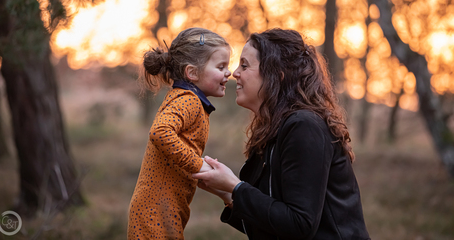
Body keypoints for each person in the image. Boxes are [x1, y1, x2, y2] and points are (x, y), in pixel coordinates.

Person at [192, 28, 370, 240]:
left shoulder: (304, 127)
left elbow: (299, 224)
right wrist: (226, 192)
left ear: (277, 75)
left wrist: (235, 187)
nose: (234, 73)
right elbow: (273, 223)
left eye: (245, 65)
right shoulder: (273, 130)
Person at [127, 27, 232, 240]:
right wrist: (198, 164)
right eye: (221, 67)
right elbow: (160, 132)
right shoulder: (188, 100)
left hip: (163, 209)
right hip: (154, 211)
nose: (228, 73)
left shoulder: (185, 98)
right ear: (192, 73)